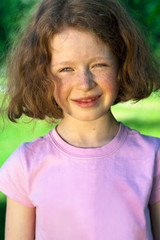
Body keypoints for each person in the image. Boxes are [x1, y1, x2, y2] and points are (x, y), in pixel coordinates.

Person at [0, 0, 160, 239]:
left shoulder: (153, 157)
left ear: (121, 65)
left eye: (99, 65)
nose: (85, 83)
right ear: (42, 75)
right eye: (66, 69)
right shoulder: (25, 166)